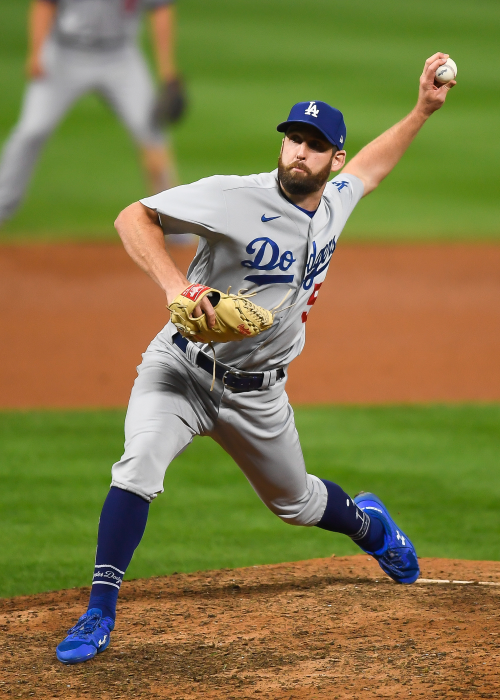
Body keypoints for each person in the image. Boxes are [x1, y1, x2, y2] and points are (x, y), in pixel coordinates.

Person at [55, 53, 456, 665]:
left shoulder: (334, 203)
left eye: (315, 146)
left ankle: (371, 526)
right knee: (137, 467)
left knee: (297, 504)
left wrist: (422, 110)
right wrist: (175, 286)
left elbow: (370, 170)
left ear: (333, 159)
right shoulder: (233, 196)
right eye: (294, 139)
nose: (300, 152)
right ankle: (99, 611)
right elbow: (133, 216)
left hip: (258, 394)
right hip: (180, 369)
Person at [0, 0, 183, 227]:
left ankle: (175, 224)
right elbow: (45, 4)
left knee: (152, 133)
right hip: (64, 54)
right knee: (32, 130)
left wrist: (168, 72)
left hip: (120, 56)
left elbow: (161, 8)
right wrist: (36, 51)